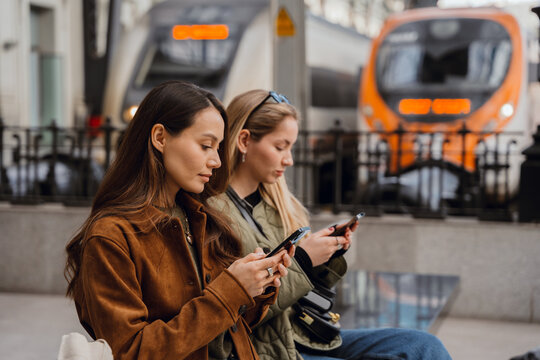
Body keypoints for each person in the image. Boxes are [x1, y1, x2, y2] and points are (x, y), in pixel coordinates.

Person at [210, 89, 453, 360]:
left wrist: (323, 260)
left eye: (291, 148)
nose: (288, 159)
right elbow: (236, 311)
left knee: (423, 346)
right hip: (264, 349)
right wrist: (303, 260)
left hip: (300, 335)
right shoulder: (212, 213)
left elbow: (305, 293)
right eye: (280, 147)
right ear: (244, 140)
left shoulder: (280, 207)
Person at [64, 82, 292, 360]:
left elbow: (225, 331)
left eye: (218, 148)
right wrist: (231, 291)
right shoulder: (111, 236)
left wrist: (257, 287)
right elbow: (131, 352)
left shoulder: (200, 216)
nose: (217, 161)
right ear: (160, 137)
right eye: (206, 145)